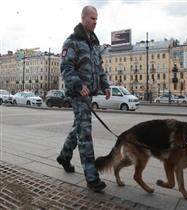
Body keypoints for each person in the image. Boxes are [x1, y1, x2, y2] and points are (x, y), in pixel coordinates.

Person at [57, 5, 111, 193]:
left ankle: (64, 156)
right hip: (78, 94)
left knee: (78, 128)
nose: (95, 22)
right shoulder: (72, 41)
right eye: (92, 18)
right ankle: (91, 177)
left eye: (97, 19)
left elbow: (99, 68)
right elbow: (66, 69)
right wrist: (80, 86)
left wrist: (105, 85)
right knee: (85, 133)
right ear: (83, 18)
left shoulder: (94, 44)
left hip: (90, 94)